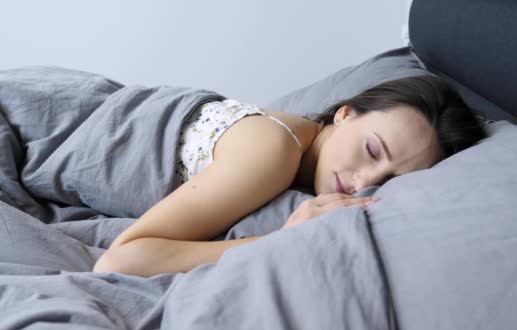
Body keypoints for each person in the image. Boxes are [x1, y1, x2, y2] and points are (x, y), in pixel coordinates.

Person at [92, 75, 488, 277]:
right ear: (346, 113)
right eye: (371, 150)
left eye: (388, 181)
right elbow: (119, 262)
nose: (362, 181)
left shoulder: (298, 150)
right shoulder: (272, 152)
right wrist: (283, 240)